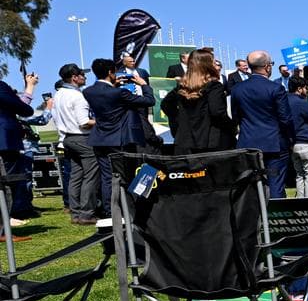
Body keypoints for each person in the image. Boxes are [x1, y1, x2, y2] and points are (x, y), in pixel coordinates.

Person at [82, 59, 155, 215]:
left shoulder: (88, 91)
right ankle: (129, 209)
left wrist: (113, 87)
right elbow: (149, 101)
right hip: (119, 139)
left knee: (107, 177)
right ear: (110, 72)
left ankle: (110, 210)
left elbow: (105, 98)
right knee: (126, 175)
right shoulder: (120, 93)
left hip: (99, 138)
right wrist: (144, 84)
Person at [229, 51, 294, 199]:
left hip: (248, 144)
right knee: (276, 185)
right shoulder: (275, 88)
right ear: (267, 67)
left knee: (250, 186)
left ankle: (254, 218)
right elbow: (285, 119)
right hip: (274, 146)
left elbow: (236, 117)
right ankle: (275, 219)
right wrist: (290, 140)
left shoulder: (238, 89)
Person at [159, 50, 235, 156]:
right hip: (210, 141)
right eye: (213, 62)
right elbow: (217, 112)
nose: (215, 65)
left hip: (185, 139)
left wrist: (180, 121)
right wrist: (232, 126)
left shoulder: (182, 87)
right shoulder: (214, 86)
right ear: (207, 65)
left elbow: (166, 105)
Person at [50, 64, 98, 224]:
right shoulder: (78, 96)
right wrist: (102, 122)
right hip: (82, 137)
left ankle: (75, 213)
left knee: (76, 177)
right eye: (81, 75)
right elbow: (84, 122)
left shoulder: (59, 94)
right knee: (90, 176)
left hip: (67, 138)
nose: (85, 77)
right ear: (74, 78)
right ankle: (86, 214)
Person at [1, 72, 39, 222]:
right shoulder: (1, 87)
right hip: (5, 142)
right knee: (7, 182)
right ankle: (4, 224)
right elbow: (23, 109)